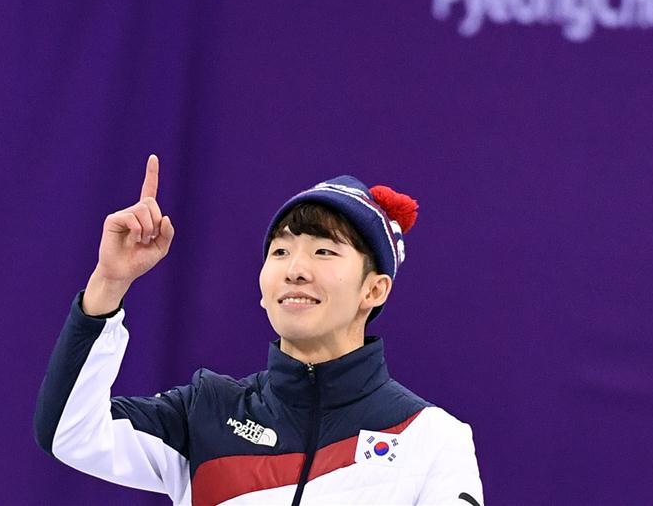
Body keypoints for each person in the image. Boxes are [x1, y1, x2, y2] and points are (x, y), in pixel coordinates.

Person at [34, 155, 484, 506]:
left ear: (375, 289)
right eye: (281, 251)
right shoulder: (205, 412)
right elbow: (69, 433)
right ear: (263, 288)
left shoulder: (430, 438)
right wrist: (110, 284)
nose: (296, 270)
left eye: (325, 252)